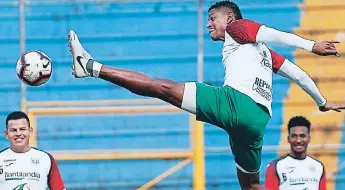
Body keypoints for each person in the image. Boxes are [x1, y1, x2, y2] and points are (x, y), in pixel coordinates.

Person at [68, 1, 343, 189]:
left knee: (161, 88)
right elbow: (297, 74)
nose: (208, 24)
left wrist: (311, 45)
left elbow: (269, 32)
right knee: (251, 184)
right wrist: (321, 102)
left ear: (230, 18)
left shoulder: (238, 27)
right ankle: (90, 67)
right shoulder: (263, 54)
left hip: (236, 104)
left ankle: (91, 67)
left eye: (212, 18)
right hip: (257, 122)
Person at [0, 111, 66, 190]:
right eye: (13, 130)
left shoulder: (46, 159)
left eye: (22, 129)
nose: (18, 133)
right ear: (6, 134)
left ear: (30, 131)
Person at [265, 116, 327, 190]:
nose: (298, 140)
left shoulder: (318, 166)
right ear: (288, 139)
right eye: (294, 136)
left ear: (309, 138)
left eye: (302, 136)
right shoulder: (276, 166)